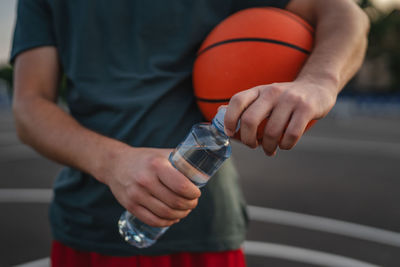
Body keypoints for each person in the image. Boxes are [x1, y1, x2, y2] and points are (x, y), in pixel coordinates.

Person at [11, 0, 369, 266]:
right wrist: (112, 162)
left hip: (204, 231)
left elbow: (345, 13)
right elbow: (29, 105)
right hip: (86, 226)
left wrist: (318, 81)